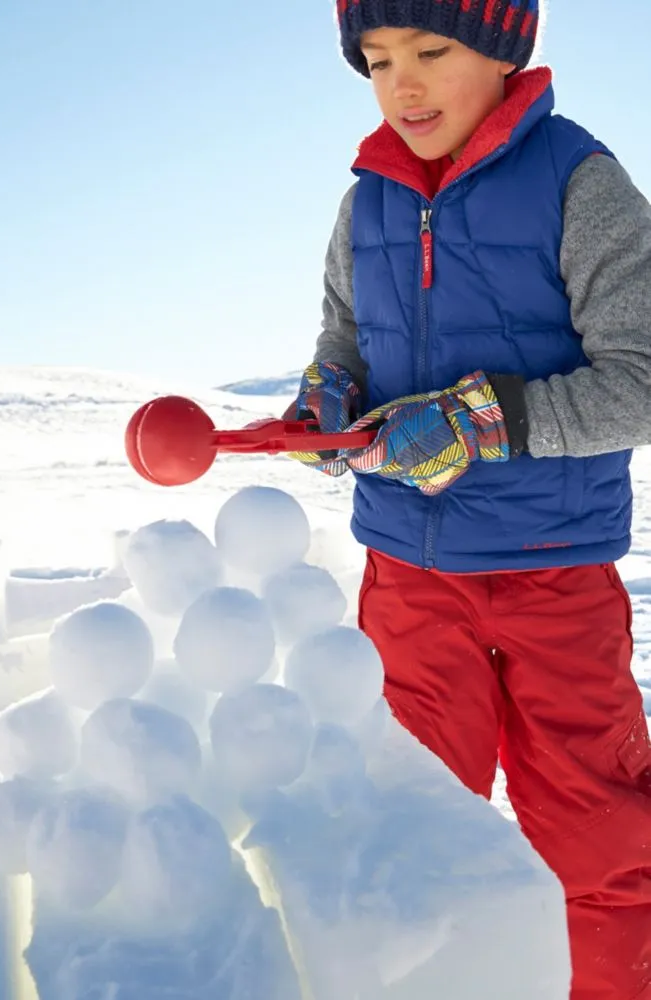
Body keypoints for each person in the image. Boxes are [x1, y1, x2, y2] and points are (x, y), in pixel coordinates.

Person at [286, 2, 651, 998]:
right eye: (376, 60)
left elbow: (641, 377)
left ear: (502, 47)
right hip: (407, 579)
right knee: (404, 836)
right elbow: (344, 335)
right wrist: (329, 399)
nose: (401, 83)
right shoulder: (367, 201)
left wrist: (482, 422)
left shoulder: (582, 184)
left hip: (554, 577)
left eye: (431, 52)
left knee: (597, 840)